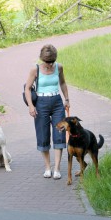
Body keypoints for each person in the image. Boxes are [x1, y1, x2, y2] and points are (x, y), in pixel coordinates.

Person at [24, 44, 70, 179]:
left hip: (57, 102)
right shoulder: (35, 69)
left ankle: (57, 169)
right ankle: (47, 167)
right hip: (41, 103)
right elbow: (27, 88)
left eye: (52, 62)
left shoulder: (59, 67)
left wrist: (67, 99)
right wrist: (31, 106)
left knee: (59, 134)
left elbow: (63, 83)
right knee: (43, 135)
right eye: (47, 62)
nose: (49, 64)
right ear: (42, 59)